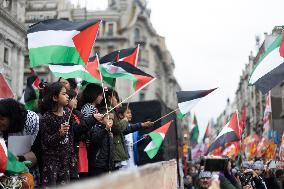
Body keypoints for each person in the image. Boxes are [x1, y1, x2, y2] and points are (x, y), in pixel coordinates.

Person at [40, 82, 75, 187]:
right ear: (55, 98)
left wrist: (72, 155)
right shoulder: (47, 117)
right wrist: (59, 134)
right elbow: (45, 141)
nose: (67, 96)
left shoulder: (68, 114)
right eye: (64, 94)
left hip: (66, 161)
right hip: (52, 162)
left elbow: (71, 136)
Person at [0, 98, 39, 166]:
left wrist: (19, 159)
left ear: (12, 117)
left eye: (2, 119)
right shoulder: (4, 128)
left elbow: (38, 153)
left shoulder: (31, 123)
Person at [116, 104, 153, 169]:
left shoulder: (133, 129)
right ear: (120, 115)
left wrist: (142, 138)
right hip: (122, 160)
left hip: (133, 158)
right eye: (127, 113)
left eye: (130, 113)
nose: (130, 114)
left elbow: (136, 142)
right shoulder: (118, 128)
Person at [88, 108, 114, 177]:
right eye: (108, 118)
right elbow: (95, 139)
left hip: (107, 166)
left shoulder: (109, 132)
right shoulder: (96, 128)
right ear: (101, 119)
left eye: (112, 119)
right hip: (97, 166)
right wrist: (106, 129)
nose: (111, 121)